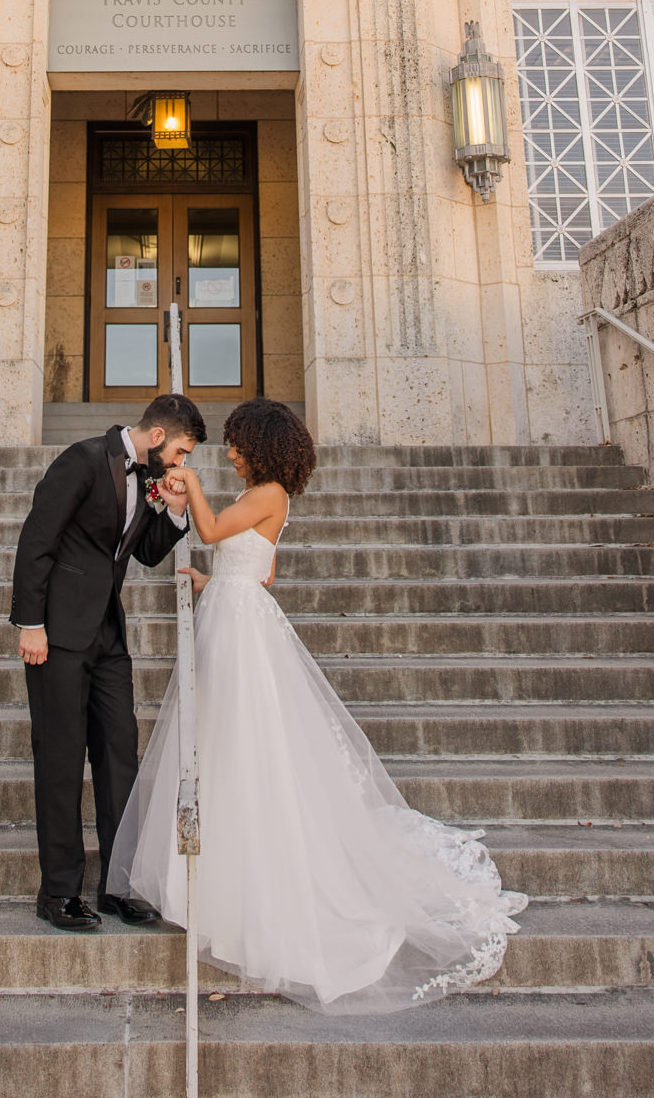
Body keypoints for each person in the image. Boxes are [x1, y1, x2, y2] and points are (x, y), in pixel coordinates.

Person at [107, 398, 527, 1008]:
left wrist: (191, 485)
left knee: (239, 734)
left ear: (263, 447)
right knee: (222, 737)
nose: (230, 453)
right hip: (236, 609)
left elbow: (213, 532)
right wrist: (210, 580)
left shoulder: (270, 493)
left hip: (242, 628)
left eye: (237, 445)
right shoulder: (269, 498)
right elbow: (260, 570)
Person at [9, 393, 205, 931]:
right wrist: (31, 623)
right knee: (62, 759)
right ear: (159, 437)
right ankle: (59, 892)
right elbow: (37, 541)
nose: (182, 464)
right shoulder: (82, 459)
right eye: (183, 452)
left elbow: (142, 552)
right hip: (57, 636)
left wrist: (176, 510)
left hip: (108, 639)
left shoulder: (147, 479)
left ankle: (121, 883)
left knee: (120, 757)